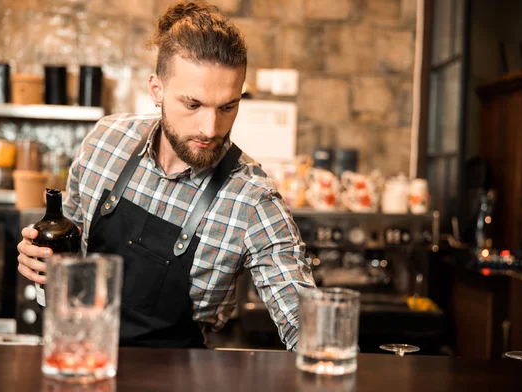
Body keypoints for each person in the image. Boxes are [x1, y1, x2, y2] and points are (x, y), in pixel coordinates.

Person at [17, 1, 315, 350]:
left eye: (228, 107)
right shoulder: (106, 142)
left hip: (178, 382)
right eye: (193, 104)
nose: (210, 128)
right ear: (156, 89)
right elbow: (69, 256)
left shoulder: (252, 200)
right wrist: (42, 260)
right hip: (82, 362)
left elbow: (306, 326)